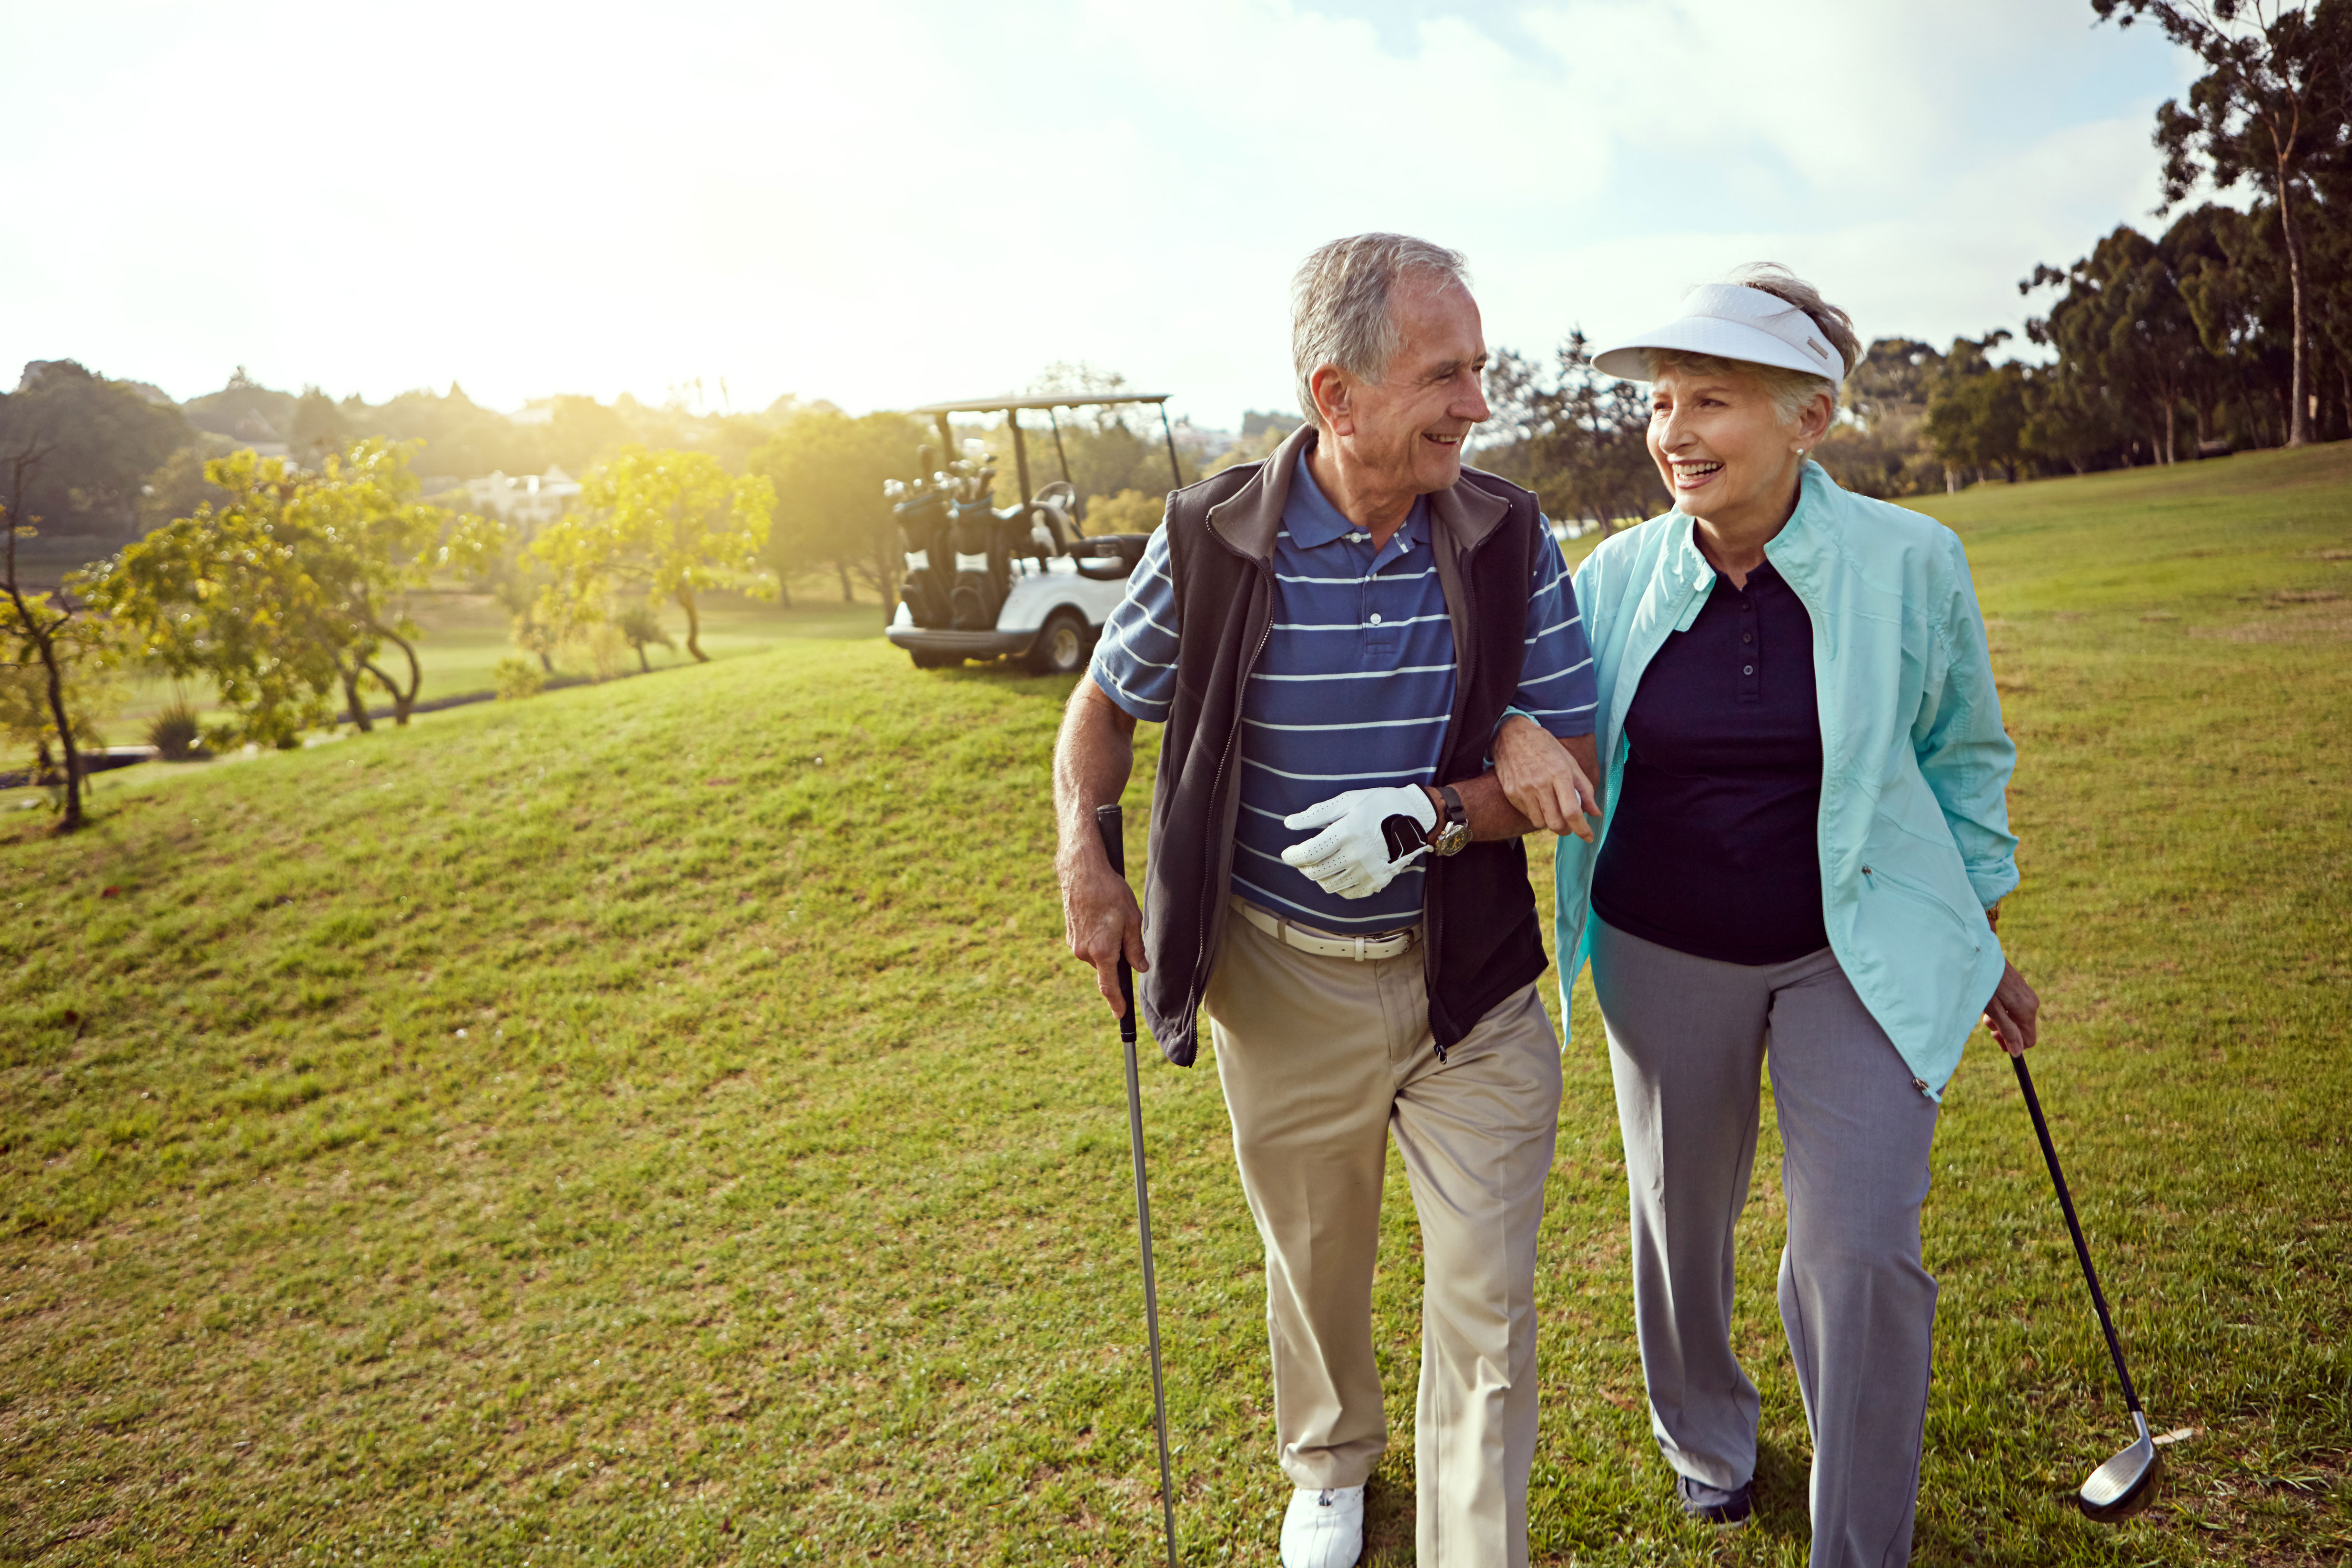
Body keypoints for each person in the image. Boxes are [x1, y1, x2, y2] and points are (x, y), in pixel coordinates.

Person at [1053, 233, 1600, 1568]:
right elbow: (1103, 709)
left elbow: (1574, 770)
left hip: (1469, 971)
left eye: (1478, 369)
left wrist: (1441, 805)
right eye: (1443, 375)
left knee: (1486, 1300)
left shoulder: (1504, 529)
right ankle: (1331, 1462)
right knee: (1314, 1255)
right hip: (1279, 974)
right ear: (1335, 395)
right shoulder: (1211, 538)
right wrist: (1086, 851)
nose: (1477, 403)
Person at [1496, 266, 2041, 1567]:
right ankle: (1705, 1439)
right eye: (1662, 401)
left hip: (1847, 949)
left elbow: (1962, 756)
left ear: (1809, 417)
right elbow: (1529, 711)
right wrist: (1518, 730)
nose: (1673, 430)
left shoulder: (1913, 561)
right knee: (1677, 1216)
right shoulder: (1613, 574)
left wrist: (1978, 931)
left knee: (1857, 1246)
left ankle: (1858, 1538)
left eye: (1712, 401)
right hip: (1658, 944)